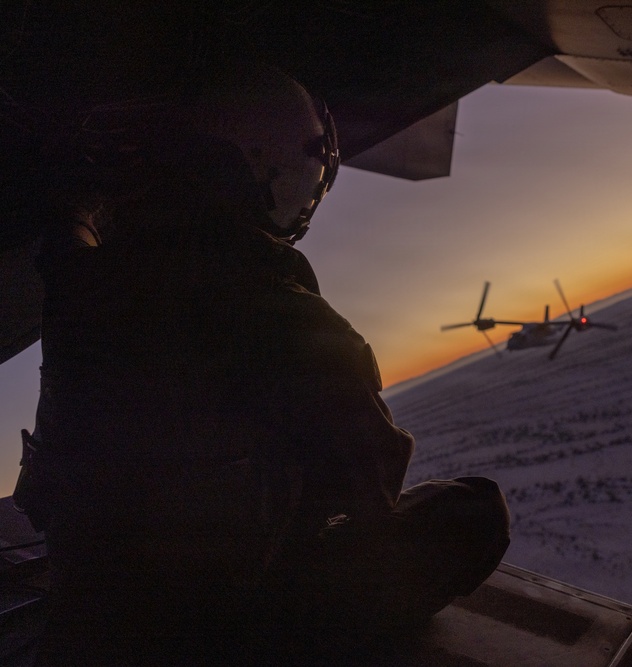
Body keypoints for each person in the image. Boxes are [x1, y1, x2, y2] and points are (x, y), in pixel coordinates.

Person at [17, 63, 510, 665]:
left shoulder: (82, 287)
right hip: (220, 633)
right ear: (272, 170)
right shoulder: (292, 322)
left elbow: (68, 237)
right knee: (472, 511)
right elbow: (369, 489)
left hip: (90, 613)